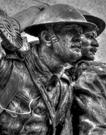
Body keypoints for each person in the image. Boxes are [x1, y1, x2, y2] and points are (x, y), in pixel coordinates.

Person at [0, 4, 97, 135]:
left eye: (80, 33)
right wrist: (18, 21)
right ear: (46, 38)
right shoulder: (10, 65)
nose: (79, 38)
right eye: (71, 31)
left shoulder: (64, 86)